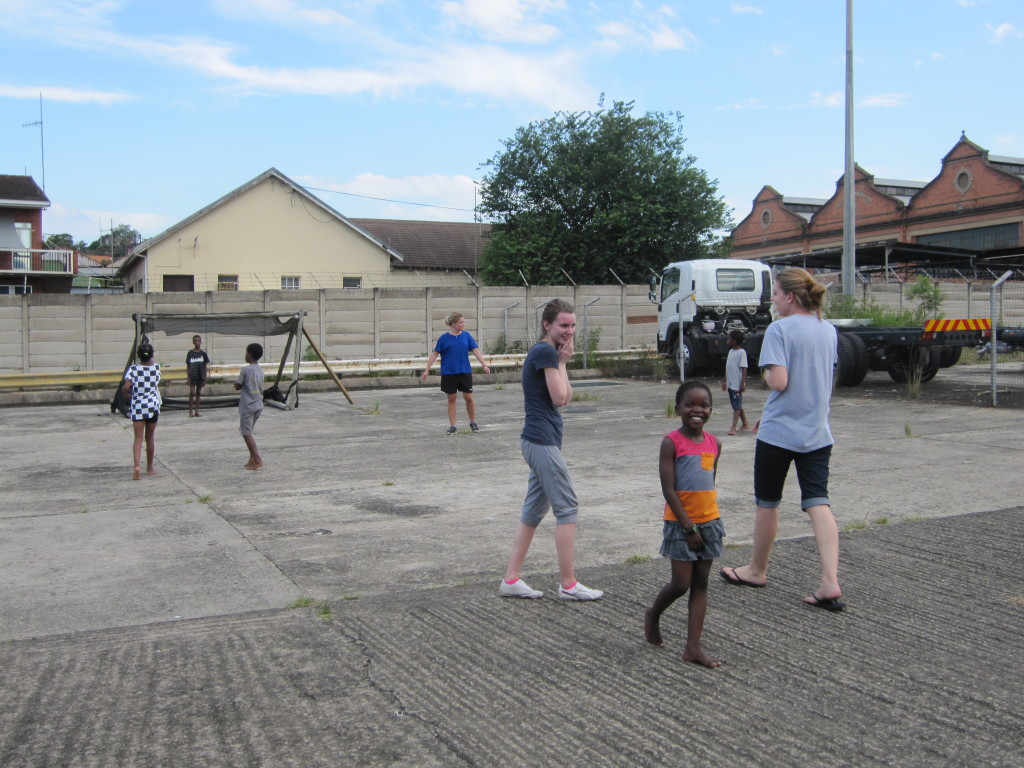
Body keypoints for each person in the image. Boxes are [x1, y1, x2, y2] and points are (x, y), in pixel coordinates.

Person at [719, 268, 845, 611]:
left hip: (779, 434)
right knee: (818, 501)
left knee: (768, 501)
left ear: (790, 296)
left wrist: (764, 371)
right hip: (818, 432)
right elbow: (818, 380)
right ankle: (830, 581)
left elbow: (779, 382)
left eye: (775, 293)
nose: (772, 300)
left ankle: (757, 570)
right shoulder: (828, 330)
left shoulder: (780, 329)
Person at [500, 299, 603, 601]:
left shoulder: (548, 353)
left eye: (572, 325)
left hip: (540, 441)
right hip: (541, 441)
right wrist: (560, 362)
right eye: (563, 325)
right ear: (547, 325)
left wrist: (564, 364)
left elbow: (566, 396)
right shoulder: (545, 351)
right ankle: (569, 584)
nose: (569, 331)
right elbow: (559, 398)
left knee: (533, 511)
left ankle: (510, 579)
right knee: (567, 508)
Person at [644, 380, 724, 667]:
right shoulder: (671, 443)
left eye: (704, 405)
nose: (697, 410)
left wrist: (704, 522)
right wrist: (689, 527)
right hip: (681, 525)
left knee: (701, 583)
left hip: (710, 523)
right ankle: (653, 613)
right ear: (678, 408)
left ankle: (693, 647)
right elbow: (669, 490)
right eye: (690, 404)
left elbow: (709, 484)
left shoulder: (715, 443)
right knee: (681, 583)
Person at [420, 312, 491, 434]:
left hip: (464, 372)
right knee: (451, 398)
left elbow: (475, 351)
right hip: (449, 373)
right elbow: (434, 354)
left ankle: (473, 422)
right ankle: (453, 426)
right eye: (461, 322)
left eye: (464, 322)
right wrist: (427, 369)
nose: (464, 324)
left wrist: (484, 364)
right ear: (453, 324)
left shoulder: (467, 336)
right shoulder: (443, 338)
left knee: (469, 398)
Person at [122, 340, 161, 481]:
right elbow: (153, 365)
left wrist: (126, 394)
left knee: (138, 439)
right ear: (151, 355)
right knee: (149, 438)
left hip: (138, 406)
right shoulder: (156, 368)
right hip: (152, 406)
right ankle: (150, 468)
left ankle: (136, 466)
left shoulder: (133, 369)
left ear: (138, 356)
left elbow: (127, 387)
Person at [234, 342, 265, 470]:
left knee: (246, 433)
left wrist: (237, 385)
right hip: (258, 404)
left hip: (248, 405)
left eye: (246, 352)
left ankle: (258, 459)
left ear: (250, 355)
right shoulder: (260, 369)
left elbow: (238, 385)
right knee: (249, 432)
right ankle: (252, 459)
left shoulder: (245, 369)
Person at [723, 330, 751, 435]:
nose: (727, 340)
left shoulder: (741, 353)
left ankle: (733, 428)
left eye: (729, 338)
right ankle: (745, 423)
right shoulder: (731, 352)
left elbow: (744, 368)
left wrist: (742, 383)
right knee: (737, 404)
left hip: (736, 384)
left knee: (736, 406)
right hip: (731, 383)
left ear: (734, 341)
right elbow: (728, 367)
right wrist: (725, 380)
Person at [186, 334, 211, 417]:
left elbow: (205, 366)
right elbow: (188, 366)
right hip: (193, 376)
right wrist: (188, 377)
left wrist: (205, 377)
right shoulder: (190, 353)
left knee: (198, 393)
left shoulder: (203, 354)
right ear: (193, 342)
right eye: (195, 341)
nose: (197, 342)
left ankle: (197, 411)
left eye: (198, 341)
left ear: (200, 342)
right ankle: (190, 411)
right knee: (192, 392)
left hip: (200, 376)